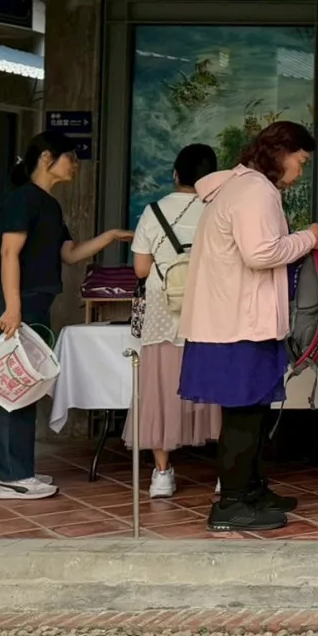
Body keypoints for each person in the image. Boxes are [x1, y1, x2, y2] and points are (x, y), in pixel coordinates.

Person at [180, 122, 318, 531]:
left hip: (232, 321)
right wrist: (310, 238)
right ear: (281, 153)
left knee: (252, 412)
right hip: (239, 325)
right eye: (301, 161)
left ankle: (250, 489)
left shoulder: (238, 186)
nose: (301, 171)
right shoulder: (255, 191)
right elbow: (261, 253)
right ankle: (231, 504)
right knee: (244, 415)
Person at [0, 131, 136, 501]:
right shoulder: (24, 199)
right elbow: (9, 253)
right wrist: (13, 307)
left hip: (34, 305)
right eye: (71, 157)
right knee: (17, 388)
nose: (76, 165)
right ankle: (13, 476)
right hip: (16, 305)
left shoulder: (49, 205)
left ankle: (4, 469)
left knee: (19, 386)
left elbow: (69, 254)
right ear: (46, 157)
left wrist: (109, 237)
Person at [130, 143, 223, 499]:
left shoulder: (153, 212)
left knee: (160, 390)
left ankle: (162, 474)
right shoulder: (218, 210)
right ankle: (225, 474)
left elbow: (141, 269)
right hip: (209, 314)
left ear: (175, 174)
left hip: (162, 316)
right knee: (219, 392)